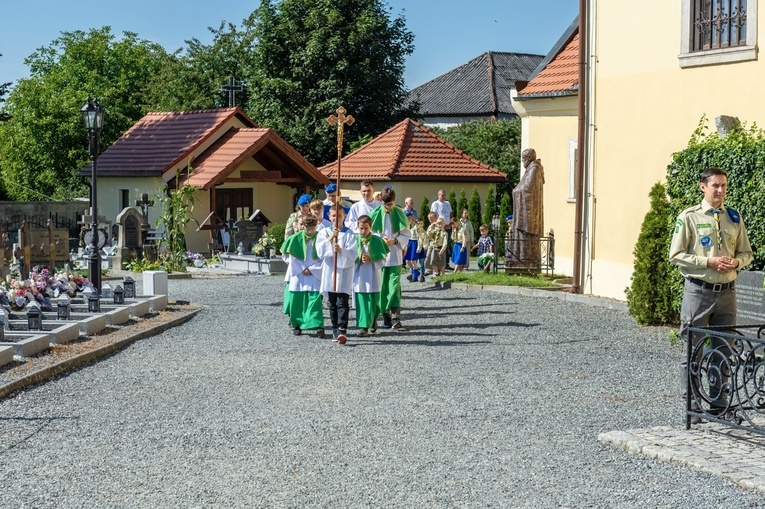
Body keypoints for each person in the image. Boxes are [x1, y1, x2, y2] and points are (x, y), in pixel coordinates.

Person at [669, 166, 753, 422]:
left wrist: (736, 264)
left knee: (723, 349)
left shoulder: (734, 217)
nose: (720, 191)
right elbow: (676, 255)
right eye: (715, 185)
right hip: (699, 292)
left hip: (727, 293)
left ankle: (719, 404)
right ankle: (692, 406)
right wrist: (709, 262)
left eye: (723, 186)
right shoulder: (690, 217)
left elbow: (746, 253)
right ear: (703, 187)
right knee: (692, 349)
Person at [369, 187, 411, 330]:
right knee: (380, 286)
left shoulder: (400, 213)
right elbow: (370, 233)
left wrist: (396, 241)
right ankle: (384, 315)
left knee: (394, 285)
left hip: (395, 255)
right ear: (381, 201)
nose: (388, 207)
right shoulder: (374, 213)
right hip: (379, 256)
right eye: (386, 204)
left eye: (391, 204)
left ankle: (396, 318)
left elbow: (406, 233)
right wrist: (381, 239)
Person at [316, 206, 356, 344]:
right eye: (333, 216)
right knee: (332, 302)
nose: (336, 218)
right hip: (330, 272)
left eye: (339, 216)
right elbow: (320, 251)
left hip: (343, 273)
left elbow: (353, 254)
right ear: (329, 216)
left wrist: (341, 251)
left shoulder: (350, 233)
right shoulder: (324, 232)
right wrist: (330, 239)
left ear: (344, 216)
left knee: (342, 301)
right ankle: (334, 329)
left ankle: (342, 329)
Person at [281, 215, 324, 337]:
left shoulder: (321, 238)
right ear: (303, 226)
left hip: (314, 273)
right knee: (297, 300)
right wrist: (301, 268)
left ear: (316, 226)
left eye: (312, 227)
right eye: (308, 227)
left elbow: (324, 256)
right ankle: (297, 325)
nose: (310, 230)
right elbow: (288, 256)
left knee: (314, 300)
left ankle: (318, 325)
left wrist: (312, 269)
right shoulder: (295, 238)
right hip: (298, 274)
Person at [353, 214, 389, 337]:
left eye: (366, 228)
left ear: (370, 227)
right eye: (361, 228)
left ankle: (373, 319)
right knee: (362, 301)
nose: (363, 231)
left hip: (374, 274)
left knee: (374, 301)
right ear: (357, 227)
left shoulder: (377, 240)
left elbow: (383, 260)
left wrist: (372, 257)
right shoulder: (354, 240)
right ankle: (364, 327)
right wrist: (358, 258)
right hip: (360, 275)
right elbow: (349, 257)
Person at [509, 148, 545, 269]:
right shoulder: (533, 169)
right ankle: (521, 259)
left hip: (528, 211)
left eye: (523, 159)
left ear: (529, 158)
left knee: (525, 233)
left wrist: (515, 191)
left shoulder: (534, 169)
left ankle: (525, 260)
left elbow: (526, 188)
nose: (522, 161)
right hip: (528, 209)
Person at [430, 189, 453, 268]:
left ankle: (446, 263)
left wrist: (449, 223)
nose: (443, 197)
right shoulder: (435, 204)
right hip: (438, 228)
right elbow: (433, 215)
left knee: (446, 245)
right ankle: (437, 262)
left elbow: (450, 214)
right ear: (438, 195)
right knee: (438, 245)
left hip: (447, 227)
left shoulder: (447, 203)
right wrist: (438, 225)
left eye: (444, 195)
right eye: (442, 195)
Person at [403, 211, 424, 282]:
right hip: (409, 242)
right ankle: (416, 271)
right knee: (407, 260)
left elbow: (420, 237)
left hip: (415, 243)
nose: (408, 219)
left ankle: (415, 277)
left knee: (413, 260)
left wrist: (419, 247)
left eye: (409, 217)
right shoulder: (407, 225)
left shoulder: (416, 226)